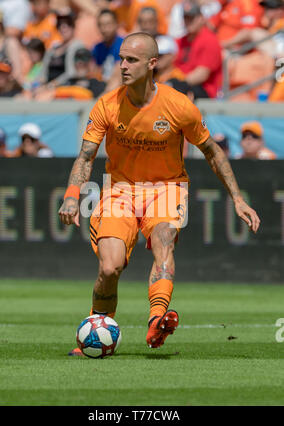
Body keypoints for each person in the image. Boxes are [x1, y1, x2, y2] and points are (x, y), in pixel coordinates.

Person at [58, 32, 260, 355]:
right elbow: (85, 157)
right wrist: (71, 195)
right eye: (121, 58)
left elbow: (212, 151)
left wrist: (237, 197)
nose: (123, 66)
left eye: (131, 60)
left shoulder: (179, 106)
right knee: (109, 268)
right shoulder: (107, 105)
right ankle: (98, 329)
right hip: (119, 190)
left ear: (152, 64)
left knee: (164, 241)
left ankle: (157, 320)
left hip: (167, 188)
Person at [174, 1, 223, 99]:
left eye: (192, 18)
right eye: (186, 18)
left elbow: (202, 74)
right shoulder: (180, 41)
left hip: (204, 89)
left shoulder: (210, 40)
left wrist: (177, 82)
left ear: (201, 18)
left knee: (175, 88)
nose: (189, 22)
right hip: (184, 83)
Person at [92, 9, 124, 82]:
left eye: (108, 24)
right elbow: (94, 72)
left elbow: (118, 76)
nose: (104, 28)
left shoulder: (124, 45)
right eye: (101, 25)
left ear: (116, 24)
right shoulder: (97, 48)